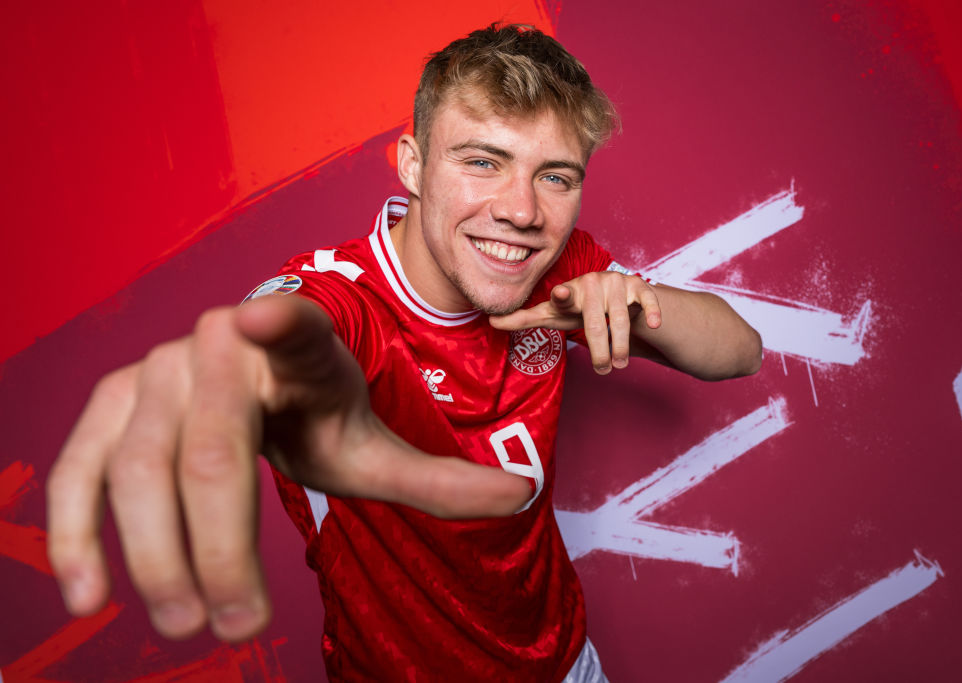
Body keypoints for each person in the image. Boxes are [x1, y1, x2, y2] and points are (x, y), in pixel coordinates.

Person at [46, 23, 762, 682]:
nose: (521, 209)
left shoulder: (564, 269)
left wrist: (636, 301)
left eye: (555, 176)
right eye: (483, 162)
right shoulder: (347, 299)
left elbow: (740, 348)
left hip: (567, 662)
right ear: (413, 166)